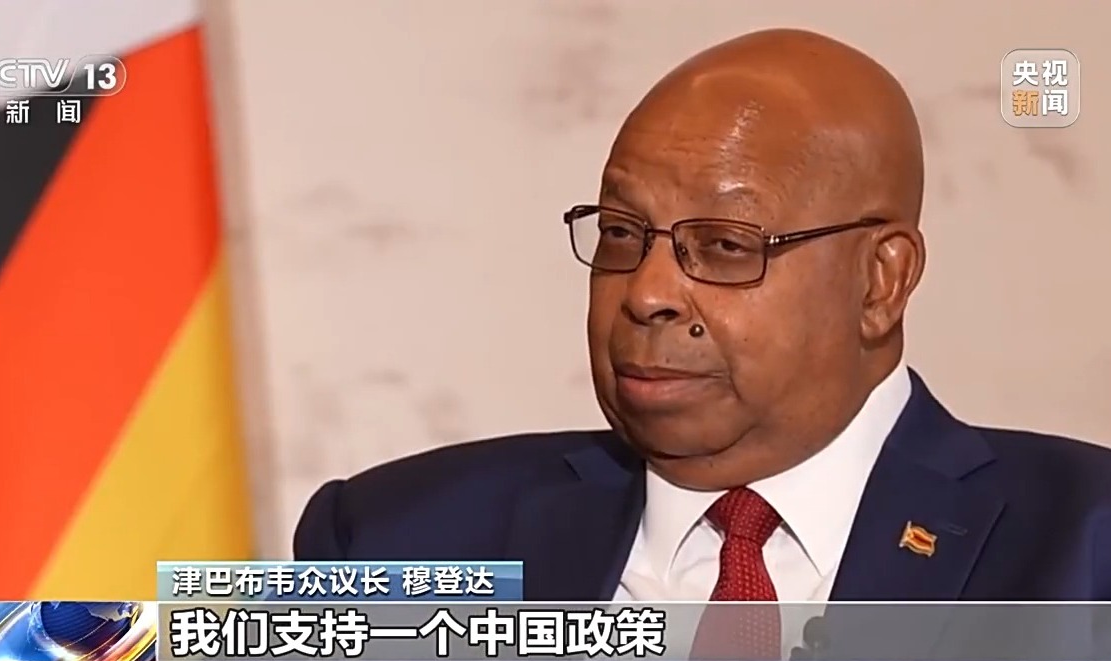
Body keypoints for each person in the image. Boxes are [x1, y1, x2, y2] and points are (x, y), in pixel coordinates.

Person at [295, 26, 1111, 631]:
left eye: (724, 246)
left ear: (881, 280)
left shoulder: (1083, 547)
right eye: (622, 234)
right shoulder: (392, 540)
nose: (647, 292)